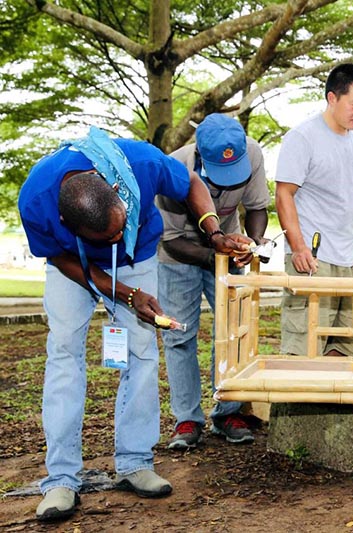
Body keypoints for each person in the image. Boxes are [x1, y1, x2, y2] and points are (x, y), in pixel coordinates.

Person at [17, 127, 252, 522]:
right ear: (65, 220)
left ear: (116, 190)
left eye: (120, 225)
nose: (116, 238)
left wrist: (213, 233)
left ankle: (135, 461)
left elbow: (191, 181)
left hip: (139, 258)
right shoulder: (36, 199)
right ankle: (61, 478)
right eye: (107, 236)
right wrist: (124, 294)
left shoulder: (141, 163)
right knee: (63, 355)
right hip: (74, 266)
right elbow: (61, 259)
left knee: (141, 352)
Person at [157, 114, 270, 450]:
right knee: (179, 334)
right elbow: (171, 239)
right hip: (178, 254)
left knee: (233, 332)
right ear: (200, 155)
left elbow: (257, 207)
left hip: (228, 244)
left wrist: (253, 244)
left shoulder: (252, 153)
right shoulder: (174, 167)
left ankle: (228, 412)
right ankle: (188, 420)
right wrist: (215, 254)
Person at [275, 63, 353, 357]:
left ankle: (337, 405)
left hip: (348, 260)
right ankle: (296, 404)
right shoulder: (303, 137)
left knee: (347, 342)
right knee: (306, 345)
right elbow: (284, 194)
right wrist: (298, 247)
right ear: (332, 98)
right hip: (312, 259)